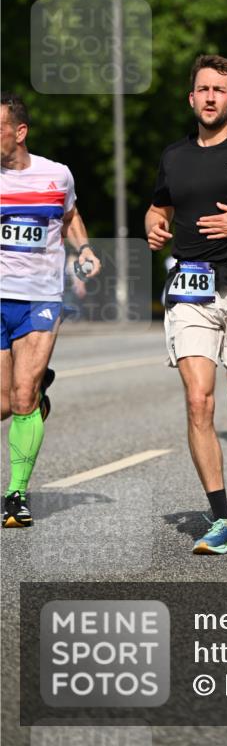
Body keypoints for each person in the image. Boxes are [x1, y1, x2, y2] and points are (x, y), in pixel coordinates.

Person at [145, 56, 227, 556]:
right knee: (199, 399)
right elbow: (160, 204)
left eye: (219, 90)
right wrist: (153, 224)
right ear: (191, 98)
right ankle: (222, 519)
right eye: (202, 89)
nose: (209, 97)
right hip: (191, 289)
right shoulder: (175, 156)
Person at [1, 94, 101, 527]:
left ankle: (15, 495)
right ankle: (38, 394)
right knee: (5, 404)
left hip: (41, 297)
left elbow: (70, 214)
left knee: (21, 396)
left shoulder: (56, 175)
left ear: (19, 132)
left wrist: (85, 249)